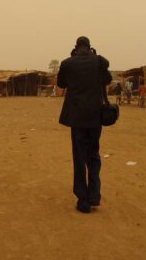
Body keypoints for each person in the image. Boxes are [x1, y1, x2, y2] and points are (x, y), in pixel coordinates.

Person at [57, 36, 112, 213]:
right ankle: (94, 195)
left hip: (76, 117)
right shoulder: (99, 61)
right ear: (90, 47)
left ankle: (83, 200)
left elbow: (61, 83)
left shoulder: (67, 63)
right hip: (95, 116)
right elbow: (108, 79)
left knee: (79, 157)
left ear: (75, 47)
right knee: (93, 155)